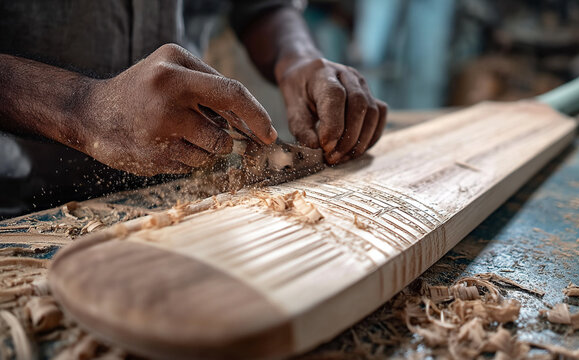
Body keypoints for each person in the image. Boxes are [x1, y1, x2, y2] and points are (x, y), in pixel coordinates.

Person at [0, 0, 387, 217]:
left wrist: (298, 57)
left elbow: (260, 7)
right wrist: (82, 108)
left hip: (178, 195)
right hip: (19, 201)